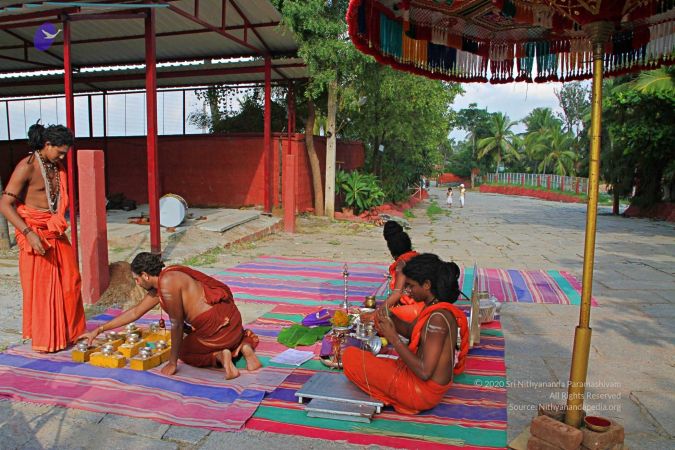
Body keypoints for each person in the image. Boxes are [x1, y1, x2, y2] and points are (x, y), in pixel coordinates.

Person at [79, 252, 261, 379]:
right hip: (232, 321)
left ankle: (221, 357)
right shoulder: (168, 277)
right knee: (225, 335)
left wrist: (173, 362)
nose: (137, 283)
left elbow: (177, 324)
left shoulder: (167, 284)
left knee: (185, 351)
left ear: (145, 275)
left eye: (137, 279)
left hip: (215, 327)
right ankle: (244, 347)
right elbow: (135, 312)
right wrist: (99, 330)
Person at [343, 253, 469, 414]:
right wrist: (391, 318)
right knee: (373, 359)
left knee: (350, 357)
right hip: (422, 384)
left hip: (422, 393)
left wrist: (393, 337)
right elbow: (412, 332)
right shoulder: (434, 307)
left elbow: (424, 372)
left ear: (427, 285)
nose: (407, 291)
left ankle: (396, 399)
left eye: (411, 285)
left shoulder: (437, 318)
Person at [0, 123, 85, 352]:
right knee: (44, 290)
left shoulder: (55, 166)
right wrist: (28, 234)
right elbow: (5, 204)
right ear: (47, 145)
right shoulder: (26, 166)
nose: (62, 157)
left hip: (54, 231)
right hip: (35, 233)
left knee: (71, 281)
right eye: (60, 152)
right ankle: (48, 340)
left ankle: (69, 333)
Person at [382, 221, 418, 309]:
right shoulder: (419, 257)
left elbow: (397, 293)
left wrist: (377, 312)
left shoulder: (402, 264)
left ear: (393, 254)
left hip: (415, 307)